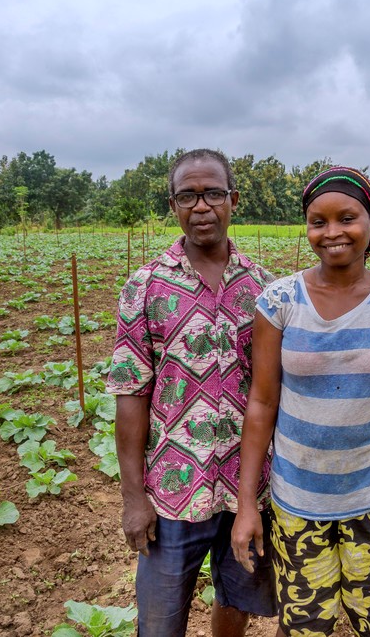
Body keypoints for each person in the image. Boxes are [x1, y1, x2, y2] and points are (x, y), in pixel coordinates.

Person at [231, 166, 370, 636]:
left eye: (347, 217)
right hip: (298, 500)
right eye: (318, 222)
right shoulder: (279, 301)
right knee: (305, 626)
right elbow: (261, 403)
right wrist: (247, 505)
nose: (333, 232)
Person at [107, 148, 277, 637]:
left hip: (249, 488)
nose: (201, 207)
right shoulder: (145, 286)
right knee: (160, 621)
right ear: (173, 204)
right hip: (173, 489)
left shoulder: (264, 287)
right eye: (188, 196)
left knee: (237, 600)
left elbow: (272, 390)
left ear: (233, 200)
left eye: (213, 194)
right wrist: (133, 496)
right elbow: (131, 393)